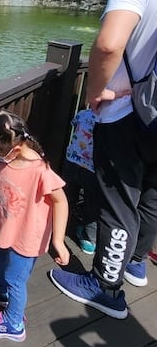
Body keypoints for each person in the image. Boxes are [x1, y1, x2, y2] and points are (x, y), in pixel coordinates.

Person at [50, 0, 157, 319]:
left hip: (127, 117)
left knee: (119, 199)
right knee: (150, 193)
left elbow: (110, 44)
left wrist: (98, 92)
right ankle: (135, 264)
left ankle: (105, 288)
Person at [0, 109, 70, 342]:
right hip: (4, 229)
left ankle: (13, 324)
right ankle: (0, 292)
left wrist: (58, 241)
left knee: (16, 280)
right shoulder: (1, 155)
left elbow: (61, 201)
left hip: (27, 239)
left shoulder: (39, 170)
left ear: (14, 149)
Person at [63, 108, 99, 254]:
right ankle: (89, 239)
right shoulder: (109, 122)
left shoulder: (83, 114)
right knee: (93, 203)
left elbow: (75, 124)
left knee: (67, 196)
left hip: (73, 160)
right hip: (93, 168)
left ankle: (60, 223)